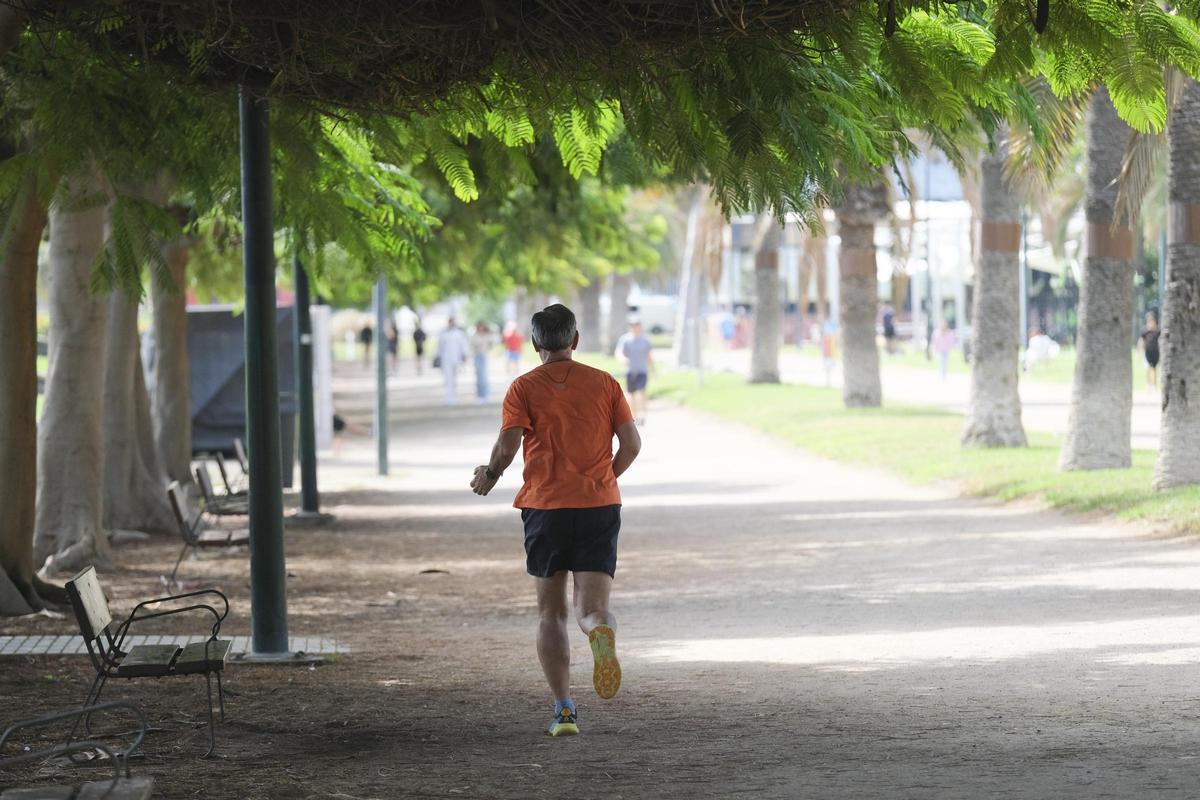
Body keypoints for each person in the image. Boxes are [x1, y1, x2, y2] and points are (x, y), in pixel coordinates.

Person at [469, 304, 642, 737]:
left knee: (550, 614)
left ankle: (564, 710)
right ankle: (600, 634)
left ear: (534, 344)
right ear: (575, 340)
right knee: (593, 608)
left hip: (545, 508)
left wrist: (490, 475)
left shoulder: (523, 387)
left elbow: (508, 445)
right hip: (598, 505)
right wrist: (602, 480)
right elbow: (632, 444)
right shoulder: (605, 383)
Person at [615, 319, 653, 425]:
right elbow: (619, 352)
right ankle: (634, 416)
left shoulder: (645, 340)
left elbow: (649, 356)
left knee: (641, 392)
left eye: (636, 325)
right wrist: (622, 359)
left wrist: (653, 369)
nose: (634, 327)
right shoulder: (625, 340)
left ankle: (643, 415)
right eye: (632, 325)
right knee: (631, 395)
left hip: (642, 371)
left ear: (640, 326)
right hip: (630, 371)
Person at [436, 317, 469, 404]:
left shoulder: (459, 334)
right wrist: (438, 357)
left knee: (454, 378)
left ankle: (454, 396)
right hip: (446, 359)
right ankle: (448, 397)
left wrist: (464, 355)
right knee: (447, 378)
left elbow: (463, 346)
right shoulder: (443, 334)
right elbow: (440, 347)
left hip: (456, 359)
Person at [471, 321, 495, 402]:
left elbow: (491, 343)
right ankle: (479, 395)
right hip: (477, 356)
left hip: (484, 355)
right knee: (479, 376)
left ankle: (486, 394)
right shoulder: (475, 336)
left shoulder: (487, 335)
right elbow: (472, 346)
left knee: (485, 376)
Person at [1139, 312, 1160, 388]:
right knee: (1147, 368)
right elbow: (1141, 341)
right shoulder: (1144, 331)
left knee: (1154, 369)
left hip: (1155, 352)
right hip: (1147, 352)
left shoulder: (1157, 332)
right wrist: (1140, 350)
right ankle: (1148, 385)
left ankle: (1154, 385)